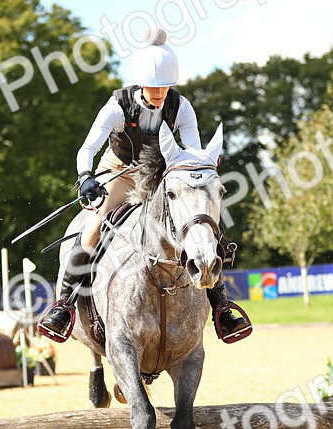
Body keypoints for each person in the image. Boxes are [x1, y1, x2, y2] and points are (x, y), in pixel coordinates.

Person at [37, 27, 253, 344]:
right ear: (141, 83)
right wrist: (85, 177)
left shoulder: (181, 107)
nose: (159, 93)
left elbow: (192, 151)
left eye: (164, 87)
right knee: (93, 227)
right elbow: (88, 148)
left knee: (201, 222)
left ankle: (220, 305)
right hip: (119, 171)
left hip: (164, 174)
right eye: (153, 87)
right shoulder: (117, 107)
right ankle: (65, 305)